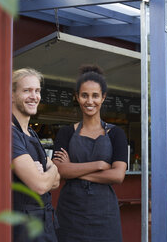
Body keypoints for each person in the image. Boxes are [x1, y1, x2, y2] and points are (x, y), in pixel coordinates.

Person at [53, 65, 128, 242]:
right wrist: (99, 165)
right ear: (77, 97)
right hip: (71, 214)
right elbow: (59, 171)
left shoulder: (116, 134)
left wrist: (74, 171)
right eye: (84, 95)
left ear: (103, 97)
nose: (90, 101)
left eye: (95, 95)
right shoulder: (66, 133)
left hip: (105, 214)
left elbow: (117, 175)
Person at [11, 68, 60, 242]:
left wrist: (49, 171)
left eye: (37, 91)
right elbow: (40, 185)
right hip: (24, 227)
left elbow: (55, 182)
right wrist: (52, 168)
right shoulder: (10, 133)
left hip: (44, 222)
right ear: (11, 95)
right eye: (27, 90)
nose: (34, 96)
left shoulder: (31, 132)